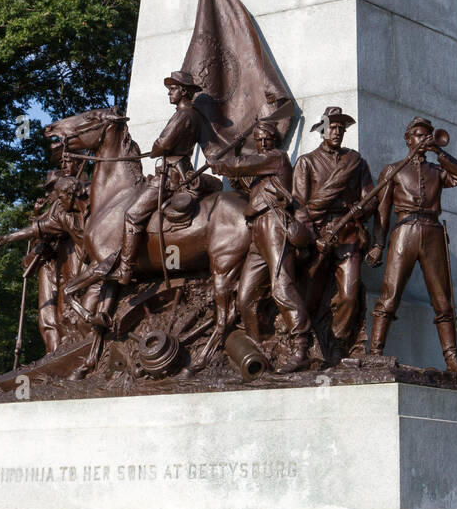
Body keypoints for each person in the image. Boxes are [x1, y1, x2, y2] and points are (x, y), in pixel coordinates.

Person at [367, 116, 457, 374]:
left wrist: (439, 151)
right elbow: (382, 212)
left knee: (443, 301)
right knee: (389, 295)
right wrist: (378, 244)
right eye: (417, 134)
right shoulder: (393, 169)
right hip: (404, 231)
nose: (422, 138)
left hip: (433, 232)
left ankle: (452, 360)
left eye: (426, 134)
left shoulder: (437, 170)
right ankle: (375, 352)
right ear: (407, 139)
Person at [212, 111, 313, 373]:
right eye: (258, 139)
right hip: (256, 229)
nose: (263, 142)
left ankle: (301, 347)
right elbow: (239, 177)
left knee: (282, 287)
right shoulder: (260, 173)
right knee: (245, 297)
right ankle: (260, 347)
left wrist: (223, 163)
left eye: (267, 137)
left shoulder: (276, 159)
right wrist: (228, 156)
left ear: (274, 140)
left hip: (274, 225)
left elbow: (242, 164)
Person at [115, 69, 220, 285]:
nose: (169, 93)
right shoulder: (197, 117)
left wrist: (154, 149)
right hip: (184, 169)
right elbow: (209, 146)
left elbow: (162, 144)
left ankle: (125, 269)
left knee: (133, 214)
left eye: (172, 89)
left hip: (170, 177)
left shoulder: (182, 114)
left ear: (183, 91)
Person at [292, 106, 374, 362]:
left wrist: (361, 210)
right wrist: (313, 238)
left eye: (341, 128)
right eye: (333, 127)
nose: (337, 132)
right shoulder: (307, 162)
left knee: (349, 294)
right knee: (308, 294)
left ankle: (338, 343)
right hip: (317, 235)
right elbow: (298, 206)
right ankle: (303, 344)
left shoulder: (356, 162)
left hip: (348, 234)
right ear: (322, 130)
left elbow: (370, 199)